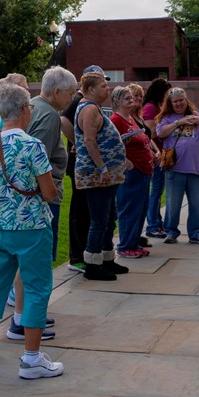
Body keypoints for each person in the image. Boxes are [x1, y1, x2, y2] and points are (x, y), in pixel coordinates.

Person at [0, 82, 63, 380]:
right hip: (31, 228)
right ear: (24, 110)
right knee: (36, 288)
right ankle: (32, 359)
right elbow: (49, 193)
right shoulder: (32, 145)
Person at [7, 66, 77, 342]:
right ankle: (25, 322)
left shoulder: (34, 106)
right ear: (57, 91)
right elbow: (40, 164)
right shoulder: (49, 117)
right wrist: (47, 194)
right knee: (37, 263)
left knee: (27, 263)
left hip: (24, 200)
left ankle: (27, 316)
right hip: (40, 199)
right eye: (70, 93)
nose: (72, 98)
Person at [74, 72, 128, 280]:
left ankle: (107, 259)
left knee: (109, 218)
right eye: (104, 86)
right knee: (99, 220)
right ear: (90, 89)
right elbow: (89, 141)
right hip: (96, 176)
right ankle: (92, 266)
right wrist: (103, 169)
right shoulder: (88, 109)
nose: (108, 89)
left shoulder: (94, 108)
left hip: (107, 175)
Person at [60, 65, 108, 273]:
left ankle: (85, 252)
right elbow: (62, 120)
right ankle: (76, 256)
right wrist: (78, 144)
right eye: (102, 83)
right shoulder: (79, 100)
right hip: (80, 165)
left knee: (86, 209)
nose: (106, 87)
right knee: (80, 210)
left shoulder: (88, 102)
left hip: (85, 164)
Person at [156, 87, 199, 245]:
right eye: (175, 101)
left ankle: (196, 233)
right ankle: (171, 232)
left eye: (181, 100)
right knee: (173, 204)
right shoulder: (167, 118)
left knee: (196, 204)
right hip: (174, 169)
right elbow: (160, 134)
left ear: (186, 100)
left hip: (194, 168)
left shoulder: (196, 116)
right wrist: (178, 122)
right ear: (170, 103)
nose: (179, 103)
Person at [110, 86, 156, 258]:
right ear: (116, 101)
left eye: (132, 97)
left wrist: (151, 153)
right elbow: (111, 146)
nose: (132, 100)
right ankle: (125, 246)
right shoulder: (116, 120)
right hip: (132, 171)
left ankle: (134, 242)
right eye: (126, 98)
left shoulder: (131, 118)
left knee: (140, 208)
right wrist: (126, 162)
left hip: (143, 171)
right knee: (130, 208)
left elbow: (142, 140)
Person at [141, 78, 172, 238]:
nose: (169, 95)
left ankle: (156, 223)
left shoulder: (156, 107)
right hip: (156, 156)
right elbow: (151, 133)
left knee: (158, 191)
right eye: (167, 92)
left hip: (162, 154)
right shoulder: (150, 108)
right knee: (156, 191)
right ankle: (152, 225)